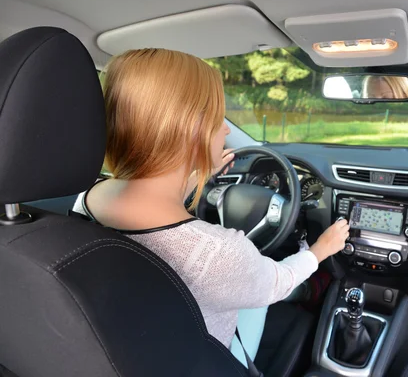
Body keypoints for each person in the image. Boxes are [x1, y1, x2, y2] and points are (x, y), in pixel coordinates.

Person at [71, 48, 349, 367]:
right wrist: (320, 250)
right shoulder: (218, 252)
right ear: (191, 129)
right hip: (208, 359)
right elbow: (278, 281)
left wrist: (192, 170)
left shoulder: (88, 197)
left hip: (140, 344)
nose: (227, 130)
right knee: (261, 298)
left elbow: (152, 195)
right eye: (219, 119)